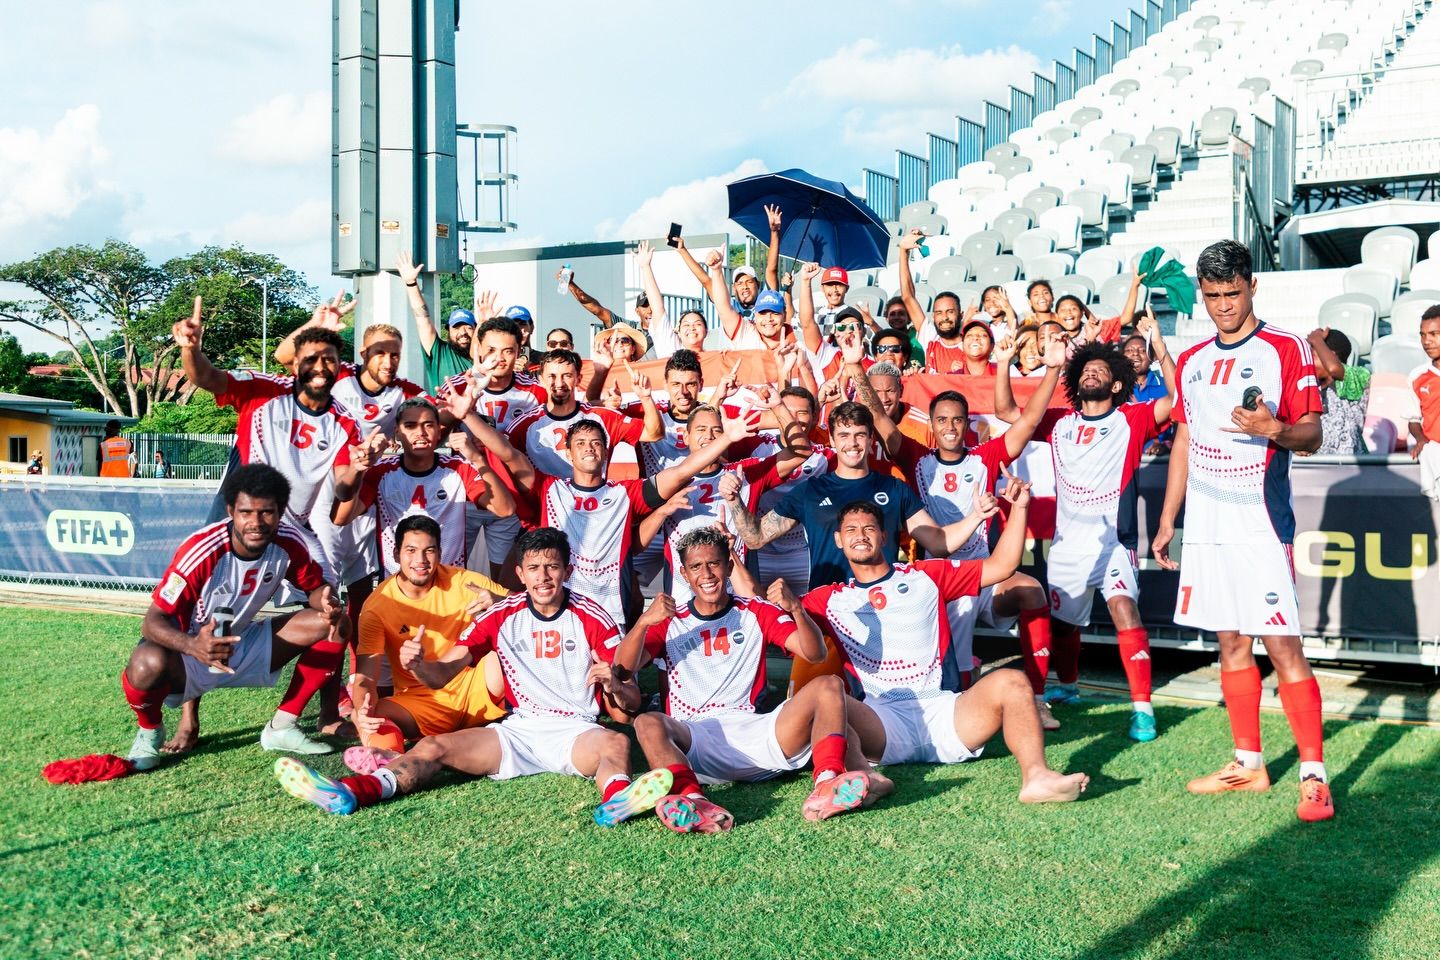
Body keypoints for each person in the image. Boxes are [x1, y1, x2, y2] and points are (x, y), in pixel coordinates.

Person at [275, 527, 675, 824]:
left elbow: (631, 703)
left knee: (615, 746)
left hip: (575, 730)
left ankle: (618, 799)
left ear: (567, 570)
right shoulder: (502, 615)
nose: (544, 577)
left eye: (552, 567)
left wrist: (615, 685)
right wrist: (419, 665)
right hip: (518, 730)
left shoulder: (593, 616)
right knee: (432, 747)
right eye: (534, 568)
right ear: (519, 572)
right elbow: (443, 672)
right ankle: (352, 791)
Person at [1151, 239, 1330, 822]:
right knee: (1229, 641)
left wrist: (1273, 427)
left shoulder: (1286, 348)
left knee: (1282, 645)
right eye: (1212, 296)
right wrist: (1168, 516)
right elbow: (1183, 436)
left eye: (1232, 293)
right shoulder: (1196, 358)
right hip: (1207, 523)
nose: (1224, 306)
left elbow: (1311, 434)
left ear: (1253, 285)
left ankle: (1313, 776)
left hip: (1260, 521)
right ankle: (1248, 763)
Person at [802, 498, 1089, 803]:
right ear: (838, 539)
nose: (860, 535)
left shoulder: (925, 575)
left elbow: (1002, 566)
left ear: (884, 536)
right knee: (828, 700)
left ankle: (1037, 778)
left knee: (1013, 681)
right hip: (881, 722)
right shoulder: (827, 599)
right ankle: (868, 778)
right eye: (851, 530)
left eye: (869, 528)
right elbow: (764, 617)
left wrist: (1019, 509)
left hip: (945, 714)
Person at [618, 529, 885, 832]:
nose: (707, 574)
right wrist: (642, 623)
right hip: (695, 740)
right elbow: (623, 670)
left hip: (758, 733)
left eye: (715, 564)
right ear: (683, 573)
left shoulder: (756, 611)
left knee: (828, 685)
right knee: (647, 722)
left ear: (729, 566)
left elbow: (814, 654)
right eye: (696, 566)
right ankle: (692, 798)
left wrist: (796, 608)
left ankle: (826, 783)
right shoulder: (669, 619)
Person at [122, 464, 345, 769]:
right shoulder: (202, 550)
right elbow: (152, 622)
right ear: (230, 510)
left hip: (242, 644)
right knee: (146, 661)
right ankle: (149, 731)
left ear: (280, 511)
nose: (256, 522)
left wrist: (326, 600)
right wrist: (192, 646)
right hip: (188, 655)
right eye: (246, 513)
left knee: (335, 621)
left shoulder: (288, 541)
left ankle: (282, 726)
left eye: (266, 512)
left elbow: (314, 588)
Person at [897, 336, 1063, 723]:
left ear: (967, 423)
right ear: (932, 427)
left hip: (984, 572)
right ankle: (961, 692)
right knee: (955, 662)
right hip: (940, 578)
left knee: (1031, 590)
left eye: (957, 419)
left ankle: (1036, 696)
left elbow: (1029, 421)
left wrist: (1053, 369)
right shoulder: (917, 458)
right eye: (942, 420)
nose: (951, 427)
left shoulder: (984, 457)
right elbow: (883, 426)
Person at [1019, 336, 1175, 742]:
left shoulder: (1132, 418)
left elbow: (1178, 401)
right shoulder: (1060, 423)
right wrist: (1050, 368)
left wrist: (1158, 345)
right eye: (1086, 368)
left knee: (1125, 611)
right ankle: (1068, 686)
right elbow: (1006, 412)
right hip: (1068, 547)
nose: (1091, 373)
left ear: (1117, 385)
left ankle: (1142, 709)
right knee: (1064, 625)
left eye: (1102, 371)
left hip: (1115, 542)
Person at [521, 412, 760, 628]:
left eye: (596, 443)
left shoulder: (625, 492)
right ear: (568, 453)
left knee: (616, 675)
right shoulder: (548, 487)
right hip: (559, 606)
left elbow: (681, 472)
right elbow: (507, 454)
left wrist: (727, 438)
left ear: (606, 452)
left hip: (610, 611)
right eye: (581, 443)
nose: (589, 448)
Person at [345, 515, 508, 760]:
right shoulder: (376, 606)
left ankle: (540, 718)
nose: (420, 560)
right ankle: (387, 761)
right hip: (423, 703)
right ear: (396, 553)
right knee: (366, 714)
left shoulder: (465, 582)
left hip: (479, 687)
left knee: (510, 638)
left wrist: (499, 604)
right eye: (411, 550)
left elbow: (530, 611)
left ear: (440, 553)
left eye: (429, 550)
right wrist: (362, 706)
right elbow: (365, 677)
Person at [332, 396, 517, 574]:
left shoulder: (458, 469)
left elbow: (505, 509)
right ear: (397, 432)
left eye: (428, 425)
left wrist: (477, 459)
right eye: (410, 426)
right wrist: (357, 469)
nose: (420, 433)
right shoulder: (381, 471)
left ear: (439, 431)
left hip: (449, 588)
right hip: (397, 589)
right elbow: (340, 518)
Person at [505, 348, 662, 479]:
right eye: (552, 376)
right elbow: (502, 464)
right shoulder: (523, 425)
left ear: (578, 379)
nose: (559, 383)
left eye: (567, 376)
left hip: (594, 510)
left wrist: (646, 398)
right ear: (541, 380)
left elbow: (654, 434)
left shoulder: (603, 417)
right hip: (546, 512)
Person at [398, 251, 477, 391]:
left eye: (468, 327)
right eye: (457, 328)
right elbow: (422, 319)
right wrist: (411, 283)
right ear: (448, 330)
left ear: (476, 329)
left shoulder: (484, 358)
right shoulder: (440, 353)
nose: (462, 332)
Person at [1307, 328, 1370, 456]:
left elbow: (1333, 368)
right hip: (1315, 467)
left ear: (1331, 355)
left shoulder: (1359, 375)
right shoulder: (1307, 384)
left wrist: (1316, 339)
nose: (1307, 361)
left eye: (1312, 355)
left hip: (1351, 464)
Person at [1409, 306, 1440, 497]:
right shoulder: (1417, 376)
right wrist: (1421, 439)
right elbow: (1413, 419)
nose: (1426, 341)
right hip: (1435, 453)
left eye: (1434, 334)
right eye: (1422, 335)